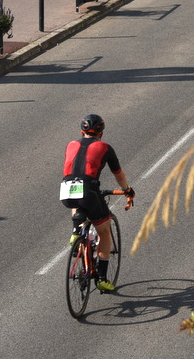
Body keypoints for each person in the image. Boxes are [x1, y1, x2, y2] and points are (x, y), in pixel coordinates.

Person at [61, 114, 133, 292]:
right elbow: (119, 174)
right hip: (89, 190)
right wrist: (127, 189)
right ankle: (101, 277)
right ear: (101, 133)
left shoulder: (71, 144)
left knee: (78, 203)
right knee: (104, 230)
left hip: (66, 189)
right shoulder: (105, 147)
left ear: (82, 131)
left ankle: (76, 231)